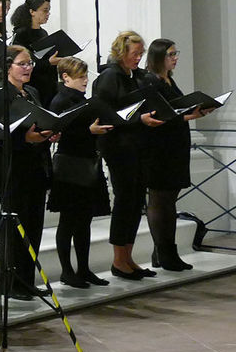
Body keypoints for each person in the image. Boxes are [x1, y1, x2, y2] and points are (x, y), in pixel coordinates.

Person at [92, 31, 165, 279]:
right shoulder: (110, 76)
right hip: (118, 146)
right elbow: (105, 111)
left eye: (141, 54)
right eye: (135, 54)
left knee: (135, 202)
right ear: (122, 52)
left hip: (136, 145)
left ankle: (129, 257)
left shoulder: (134, 76)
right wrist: (139, 118)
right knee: (124, 201)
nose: (139, 58)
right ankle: (118, 259)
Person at [0, 45, 56, 299]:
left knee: (34, 226)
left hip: (36, 165)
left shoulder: (32, 92)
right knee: (16, 227)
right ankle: (12, 282)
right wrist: (25, 138)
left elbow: (40, 119)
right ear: (7, 67)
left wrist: (50, 131)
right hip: (13, 166)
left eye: (30, 64)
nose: (28, 68)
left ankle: (27, 279)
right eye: (22, 64)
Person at [143, 38, 212, 271]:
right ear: (159, 56)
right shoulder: (150, 81)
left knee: (169, 200)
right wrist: (188, 115)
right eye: (171, 54)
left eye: (176, 53)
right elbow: (160, 114)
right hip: (159, 147)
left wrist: (194, 112)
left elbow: (175, 110)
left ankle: (162, 252)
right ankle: (165, 252)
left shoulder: (167, 79)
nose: (175, 58)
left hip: (174, 144)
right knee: (160, 200)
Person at [48, 56, 112, 288]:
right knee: (68, 220)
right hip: (70, 164)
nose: (85, 80)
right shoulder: (60, 101)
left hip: (86, 161)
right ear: (65, 77)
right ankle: (67, 270)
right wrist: (89, 130)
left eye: (86, 76)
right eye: (80, 76)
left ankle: (84, 268)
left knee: (84, 220)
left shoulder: (82, 99)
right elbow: (62, 133)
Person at [11, 0, 58, 104]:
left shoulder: (43, 33)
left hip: (48, 83)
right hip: (32, 84)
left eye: (49, 10)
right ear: (32, 12)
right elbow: (24, 64)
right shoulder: (21, 34)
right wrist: (49, 62)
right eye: (45, 10)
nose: (48, 14)